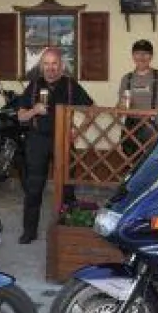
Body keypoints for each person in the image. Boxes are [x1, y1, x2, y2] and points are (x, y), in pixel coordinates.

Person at [17, 47, 93, 244]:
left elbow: (91, 111)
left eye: (54, 63)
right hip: (37, 141)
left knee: (67, 188)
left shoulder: (70, 85)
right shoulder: (34, 85)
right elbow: (21, 116)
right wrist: (34, 110)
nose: (50, 68)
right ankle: (29, 231)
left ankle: (67, 231)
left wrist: (77, 132)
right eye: (46, 63)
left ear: (61, 65)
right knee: (33, 188)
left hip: (63, 141)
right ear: (42, 66)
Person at [117, 39, 158, 161]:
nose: (141, 57)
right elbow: (120, 109)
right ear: (133, 56)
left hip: (155, 125)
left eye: (145, 53)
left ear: (151, 56)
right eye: (138, 53)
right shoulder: (127, 78)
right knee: (131, 161)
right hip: (131, 126)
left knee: (157, 161)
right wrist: (122, 107)